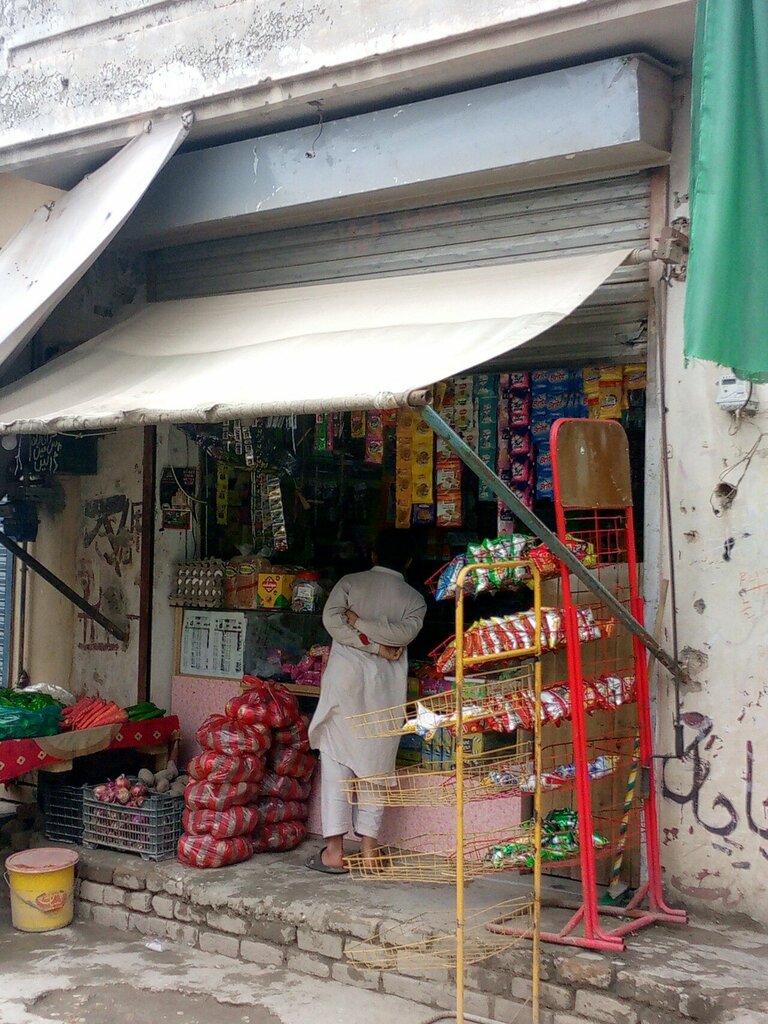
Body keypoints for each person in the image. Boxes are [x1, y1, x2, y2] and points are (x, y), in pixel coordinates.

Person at [305, 528, 427, 874]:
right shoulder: (414, 599)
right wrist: (378, 646)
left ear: (373, 554)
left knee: (336, 764)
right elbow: (402, 635)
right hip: (384, 689)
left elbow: (332, 622)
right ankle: (370, 852)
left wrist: (358, 624)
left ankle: (334, 852)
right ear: (409, 561)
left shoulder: (349, 584)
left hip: (345, 684)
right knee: (375, 767)